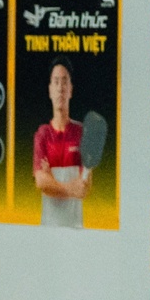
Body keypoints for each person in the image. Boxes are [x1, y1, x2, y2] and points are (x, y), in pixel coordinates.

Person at [32, 61, 90, 229]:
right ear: (50, 90)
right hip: (48, 227)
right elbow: (41, 182)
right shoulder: (42, 134)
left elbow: (84, 187)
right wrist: (71, 189)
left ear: (71, 89)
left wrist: (52, 182)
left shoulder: (81, 133)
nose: (60, 88)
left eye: (65, 82)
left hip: (76, 228)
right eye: (56, 82)